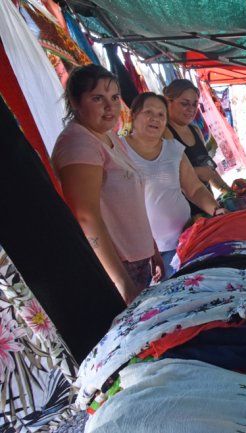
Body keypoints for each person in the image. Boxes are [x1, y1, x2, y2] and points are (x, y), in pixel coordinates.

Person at [52, 65, 162, 304]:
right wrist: (121, 282)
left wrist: (151, 248)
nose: (110, 106)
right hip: (116, 266)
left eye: (114, 97)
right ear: (74, 101)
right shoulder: (78, 145)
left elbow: (130, 202)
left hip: (136, 259)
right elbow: (85, 217)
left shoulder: (109, 136)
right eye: (97, 98)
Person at [124, 92, 226, 279]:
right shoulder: (118, 150)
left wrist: (216, 210)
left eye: (161, 114)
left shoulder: (173, 149)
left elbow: (194, 189)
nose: (155, 119)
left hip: (183, 241)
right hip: (139, 252)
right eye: (149, 112)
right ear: (133, 115)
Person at [163, 79, 232, 212]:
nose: (191, 109)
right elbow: (162, 177)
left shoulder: (196, 131)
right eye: (184, 104)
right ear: (168, 102)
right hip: (183, 212)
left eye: (195, 104)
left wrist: (228, 190)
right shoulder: (165, 134)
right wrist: (197, 172)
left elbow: (208, 170)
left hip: (207, 205)